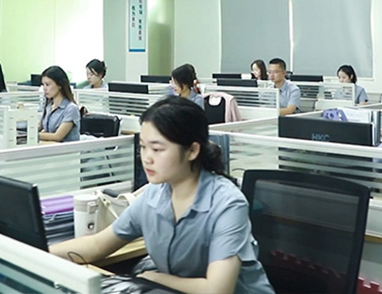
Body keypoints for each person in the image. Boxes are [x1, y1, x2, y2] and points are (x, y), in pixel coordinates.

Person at [50, 96, 274, 294]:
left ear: (192, 151)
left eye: (157, 149)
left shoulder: (227, 203)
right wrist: (39, 252)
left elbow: (217, 290)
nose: (146, 158)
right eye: (143, 147)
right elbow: (98, 245)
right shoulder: (154, 195)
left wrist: (155, 278)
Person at [39, 66, 80, 143]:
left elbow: (57, 136)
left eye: (47, 84)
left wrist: (34, 135)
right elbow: (39, 126)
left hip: (66, 149)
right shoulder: (49, 106)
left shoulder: (71, 108)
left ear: (59, 85)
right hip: (51, 146)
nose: (44, 88)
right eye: (43, 84)